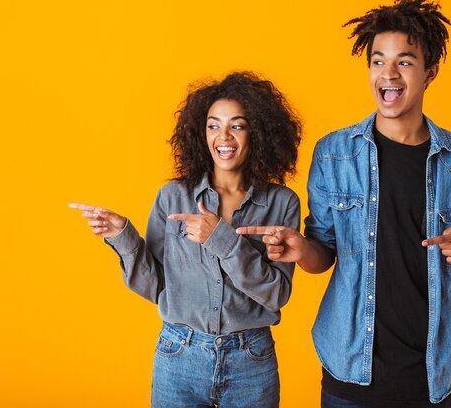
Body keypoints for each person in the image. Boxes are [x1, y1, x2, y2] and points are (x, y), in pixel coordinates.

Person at [236, 0, 451, 407]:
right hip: (350, 365)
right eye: (378, 61)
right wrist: (300, 248)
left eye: (404, 61)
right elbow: (323, 254)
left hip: (432, 372)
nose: (389, 73)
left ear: (429, 72)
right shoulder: (334, 153)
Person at [69, 71, 301, 408]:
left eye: (237, 125)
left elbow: (276, 295)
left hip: (251, 359)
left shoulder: (282, 203)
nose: (224, 136)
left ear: (258, 132)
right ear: (200, 132)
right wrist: (122, 235)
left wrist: (222, 240)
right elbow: (157, 287)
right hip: (179, 355)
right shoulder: (172, 197)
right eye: (213, 125)